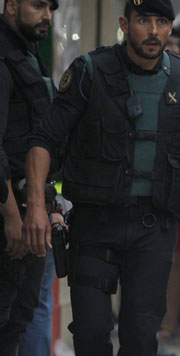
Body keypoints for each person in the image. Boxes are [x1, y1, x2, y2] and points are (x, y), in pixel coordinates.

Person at [22, 1, 180, 355]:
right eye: (143, 21)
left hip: (154, 229)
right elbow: (43, 139)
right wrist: (35, 206)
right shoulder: (90, 71)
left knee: (140, 337)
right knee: (91, 333)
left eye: (162, 22)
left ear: (170, 27)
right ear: (125, 23)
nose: (153, 31)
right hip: (94, 223)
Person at [0, 0, 60, 354]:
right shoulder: (4, 58)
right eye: (38, 6)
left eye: (51, 8)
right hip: (12, 213)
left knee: (18, 320)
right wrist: (11, 216)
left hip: (30, 207)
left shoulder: (27, 53)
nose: (47, 16)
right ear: (11, 7)